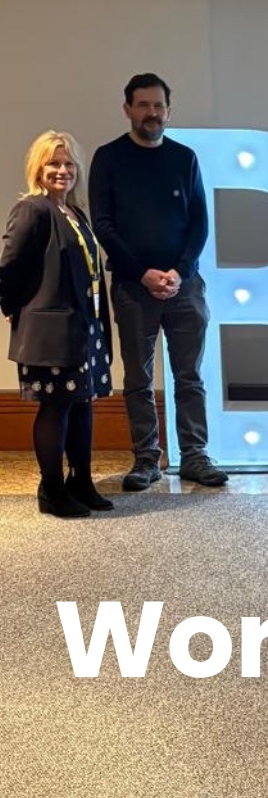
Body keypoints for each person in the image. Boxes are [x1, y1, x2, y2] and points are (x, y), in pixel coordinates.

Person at [89, 72, 227, 491]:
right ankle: (147, 459)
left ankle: (194, 456)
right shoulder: (108, 158)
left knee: (190, 376)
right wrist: (142, 273)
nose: (152, 113)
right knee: (138, 378)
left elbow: (200, 223)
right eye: (143, 105)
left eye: (158, 106)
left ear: (169, 110)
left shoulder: (184, 158)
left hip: (185, 286)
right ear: (127, 109)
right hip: (133, 288)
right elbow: (103, 225)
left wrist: (179, 272)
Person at [0, 132, 114, 518]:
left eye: (68, 164)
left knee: (82, 404)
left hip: (84, 327)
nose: (62, 170)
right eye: (53, 163)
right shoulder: (33, 209)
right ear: (38, 168)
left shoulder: (75, 213)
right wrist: (16, 310)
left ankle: (81, 482)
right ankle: (51, 490)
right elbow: (9, 268)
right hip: (51, 332)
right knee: (56, 407)